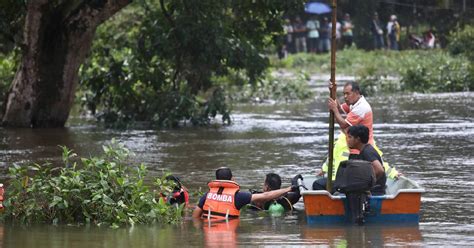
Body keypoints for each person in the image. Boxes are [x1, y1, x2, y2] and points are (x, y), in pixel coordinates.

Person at [318, 81, 399, 182]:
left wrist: (334, 110)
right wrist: (333, 91)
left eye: (348, 94)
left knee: (362, 172)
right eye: (344, 94)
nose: (345, 97)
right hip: (355, 146)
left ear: (356, 93)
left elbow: (343, 123)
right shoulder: (354, 104)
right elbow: (338, 107)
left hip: (361, 146)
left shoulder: (361, 107)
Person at [192, 167, 298, 220]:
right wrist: (289, 188)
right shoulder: (238, 197)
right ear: (232, 179)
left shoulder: (207, 195)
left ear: (216, 180)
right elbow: (266, 196)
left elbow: (195, 217)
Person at [313, 125, 386, 195]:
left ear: (358, 139)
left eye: (349, 137)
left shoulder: (367, 152)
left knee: (318, 184)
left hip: (374, 191)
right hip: (360, 187)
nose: (347, 140)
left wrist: (367, 187)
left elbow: (380, 170)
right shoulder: (363, 150)